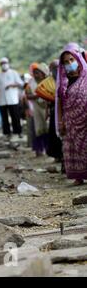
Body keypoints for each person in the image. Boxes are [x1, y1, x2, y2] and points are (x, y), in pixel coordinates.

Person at [57, 44, 87, 186]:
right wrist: (61, 121)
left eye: (71, 60)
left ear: (77, 59)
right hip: (70, 121)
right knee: (73, 148)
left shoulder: (85, 77)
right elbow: (61, 102)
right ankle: (79, 176)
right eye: (66, 62)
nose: (69, 63)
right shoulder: (63, 82)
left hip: (85, 119)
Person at [0, 57, 24, 138]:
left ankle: (18, 131)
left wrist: (12, 85)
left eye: (5, 63)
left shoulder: (14, 73)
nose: (4, 65)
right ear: (0, 65)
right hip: (2, 99)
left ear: (8, 63)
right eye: (2, 63)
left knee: (15, 116)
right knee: (4, 117)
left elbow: (21, 83)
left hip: (13, 99)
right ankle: (7, 133)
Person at [26, 63, 50, 156]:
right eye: (34, 73)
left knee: (48, 128)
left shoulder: (48, 81)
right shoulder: (30, 83)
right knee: (38, 128)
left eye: (38, 73)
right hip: (36, 108)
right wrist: (37, 96)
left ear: (43, 73)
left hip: (47, 107)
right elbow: (27, 95)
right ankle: (39, 150)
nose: (36, 75)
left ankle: (49, 149)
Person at [45, 60, 63, 164]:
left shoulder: (65, 77)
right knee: (53, 134)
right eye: (53, 68)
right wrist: (46, 111)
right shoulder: (49, 81)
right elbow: (46, 99)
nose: (55, 70)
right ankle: (56, 156)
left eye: (57, 67)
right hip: (53, 110)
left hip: (64, 110)